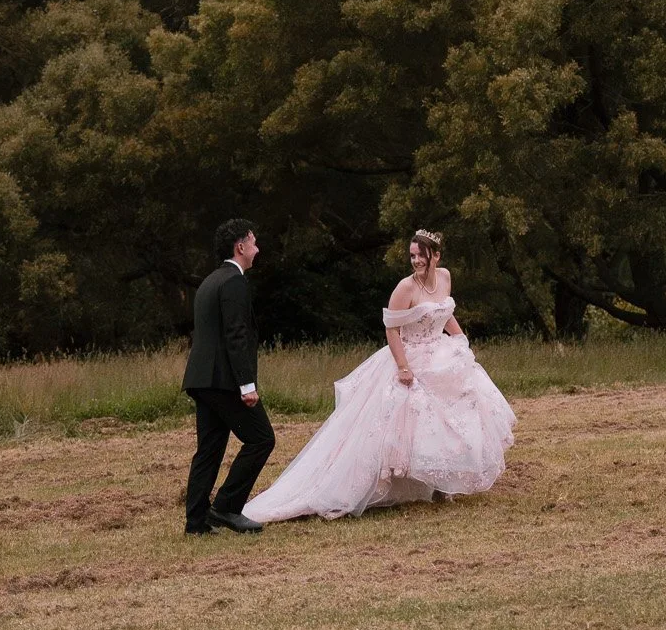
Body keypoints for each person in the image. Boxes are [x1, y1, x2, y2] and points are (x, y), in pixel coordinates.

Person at [243, 229, 514, 524]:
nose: (416, 262)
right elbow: (392, 329)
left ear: (435, 256)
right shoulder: (405, 288)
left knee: (454, 419)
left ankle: (441, 483)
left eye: (421, 256)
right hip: (412, 355)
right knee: (416, 420)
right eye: (412, 256)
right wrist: (403, 366)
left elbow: (444, 311)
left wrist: (460, 339)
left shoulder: (445, 277)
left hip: (443, 354)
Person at [182, 218, 276, 536]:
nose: (257, 248)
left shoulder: (210, 281)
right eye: (254, 242)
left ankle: (195, 523)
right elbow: (235, 335)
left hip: (202, 379)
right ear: (240, 246)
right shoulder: (233, 282)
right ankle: (226, 508)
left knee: (209, 450)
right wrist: (246, 384)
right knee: (262, 438)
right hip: (223, 381)